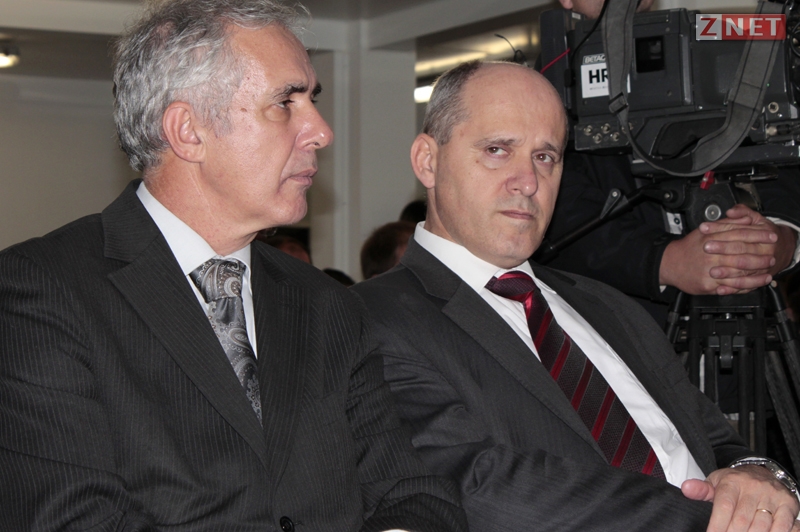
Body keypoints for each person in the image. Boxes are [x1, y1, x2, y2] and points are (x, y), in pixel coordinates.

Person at [0, 1, 468, 530]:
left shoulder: (327, 306)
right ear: (188, 131)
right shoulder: (42, 292)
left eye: (312, 99)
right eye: (285, 102)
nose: (321, 131)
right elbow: (69, 518)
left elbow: (411, 491)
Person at [353, 60, 800, 531]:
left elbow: (714, 440)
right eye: (497, 150)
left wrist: (758, 476)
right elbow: (477, 485)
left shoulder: (608, 305)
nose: (528, 181)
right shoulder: (370, 317)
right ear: (428, 160)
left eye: (545, 157)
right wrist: (708, 521)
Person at [545, 0, 800, 326]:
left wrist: (782, 238)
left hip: (750, 320)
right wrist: (665, 261)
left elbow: (774, 147)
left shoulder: (715, 36)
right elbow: (558, 216)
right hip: (626, 330)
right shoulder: (546, 85)